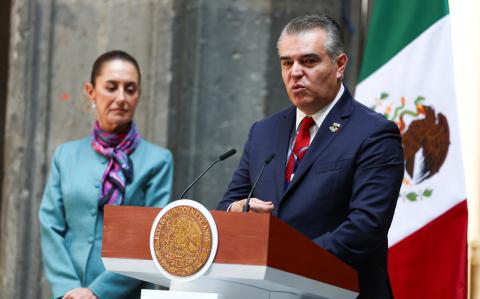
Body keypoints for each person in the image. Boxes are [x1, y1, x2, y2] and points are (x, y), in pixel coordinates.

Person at [217, 15, 404, 298]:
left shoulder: (375, 133)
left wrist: (286, 261)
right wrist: (237, 212)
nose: (295, 72)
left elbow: (365, 228)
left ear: (339, 65)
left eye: (308, 61)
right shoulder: (263, 132)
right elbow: (226, 208)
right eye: (287, 62)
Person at [39, 50, 173, 299]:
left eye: (130, 89)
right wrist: (69, 288)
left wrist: (96, 292)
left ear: (138, 95)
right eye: (111, 87)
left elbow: (152, 237)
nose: (121, 97)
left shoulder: (157, 160)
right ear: (91, 91)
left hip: (128, 293)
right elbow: (50, 226)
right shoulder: (65, 156)